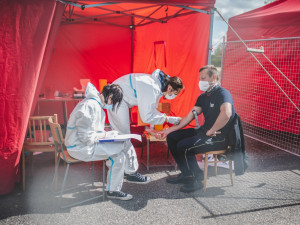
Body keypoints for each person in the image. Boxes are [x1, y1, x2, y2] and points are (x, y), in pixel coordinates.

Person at [156, 65, 235, 193]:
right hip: (205, 132)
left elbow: (226, 113)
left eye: (203, 78)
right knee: (173, 137)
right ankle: (187, 174)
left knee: (184, 146)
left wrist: (212, 130)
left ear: (213, 77)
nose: (200, 81)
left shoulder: (222, 93)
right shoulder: (203, 97)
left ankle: (198, 179)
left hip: (219, 137)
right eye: (200, 78)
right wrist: (169, 130)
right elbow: (190, 116)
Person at [107, 69, 184, 182]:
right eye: (175, 94)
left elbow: (152, 110)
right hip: (116, 99)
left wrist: (153, 127)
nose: (173, 96)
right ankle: (130, 172)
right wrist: (169, 119)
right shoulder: (152, 87)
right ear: (170, 88)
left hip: (118, 98)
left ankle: (119, 168)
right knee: (124, 137)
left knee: (121, 137)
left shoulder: (155, 85)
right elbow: (147, 117)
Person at [65, 82, 134, 200]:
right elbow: (87, 138)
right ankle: (113, 190)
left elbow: (89, 132)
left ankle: (113, 189)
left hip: (78, 145)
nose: (112, 105)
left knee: (117, 153)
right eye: (113, 102)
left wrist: (105, 135)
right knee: (119, 153)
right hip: (80, 148)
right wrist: (105, 135)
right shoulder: (91, 106)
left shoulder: (92, 104)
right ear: (110, 97)